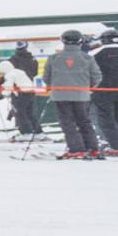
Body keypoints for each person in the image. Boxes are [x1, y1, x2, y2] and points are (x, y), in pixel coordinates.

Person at [44, 30, 102, 158]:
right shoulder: (87, 58)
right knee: (84, 121)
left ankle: (76, 149)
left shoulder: (53, 58)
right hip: (82, 95)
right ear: (80, 41)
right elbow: (97, 76)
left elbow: (46, 78)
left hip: (60, 95)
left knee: (68, 122)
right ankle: (92, 148)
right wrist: (88, 87)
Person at [2, 45, 45, 136]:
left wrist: (0, 94)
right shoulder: (32, 59)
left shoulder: (12, 64)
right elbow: (35, 73)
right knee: (30, 113)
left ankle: (26, 132)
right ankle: (38, 132)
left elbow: (8, 87)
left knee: (20, 113)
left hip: (19, 92)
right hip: (30, 90)